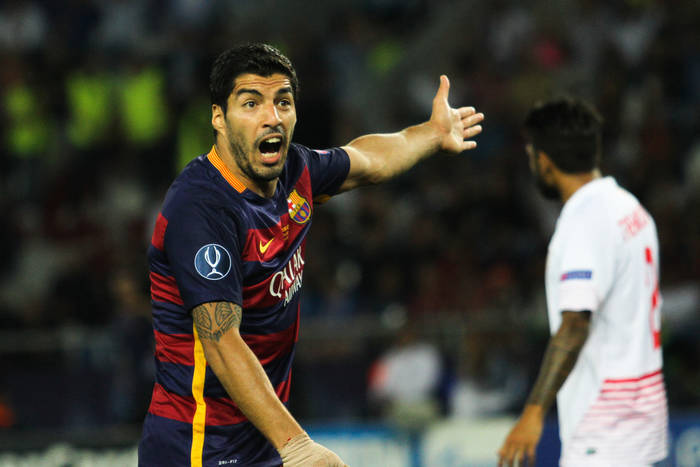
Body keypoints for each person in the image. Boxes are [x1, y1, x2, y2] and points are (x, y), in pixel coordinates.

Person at [138, 42, 484, 467]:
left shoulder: (295, 172)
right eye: (251, 103)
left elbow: (368, 159)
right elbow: (221, 340)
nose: (271, 116)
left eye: (283, 102)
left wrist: (430, 134)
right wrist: (296, 445)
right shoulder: (201, 209)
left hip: (261, 437)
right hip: (198, 445)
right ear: (219, 118)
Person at [497, 97, 668, 466]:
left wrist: (533, 413)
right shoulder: (631, 208)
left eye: (531, 154)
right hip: (643, 412)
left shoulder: (585, 222)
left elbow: (575, 323)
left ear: (544, 160)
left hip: (605, 427)